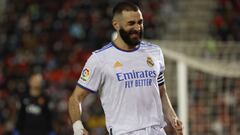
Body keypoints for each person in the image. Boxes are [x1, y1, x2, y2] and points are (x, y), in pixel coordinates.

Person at [68, 1, 183, 135]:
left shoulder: (155, 52)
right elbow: (75, 98)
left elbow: (161, 92)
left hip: (157, 131)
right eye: (131, 23)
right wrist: (77, 126)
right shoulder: (100, 59)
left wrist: (172, 116)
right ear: (116, 25)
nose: (137, 27)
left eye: (140, 22)